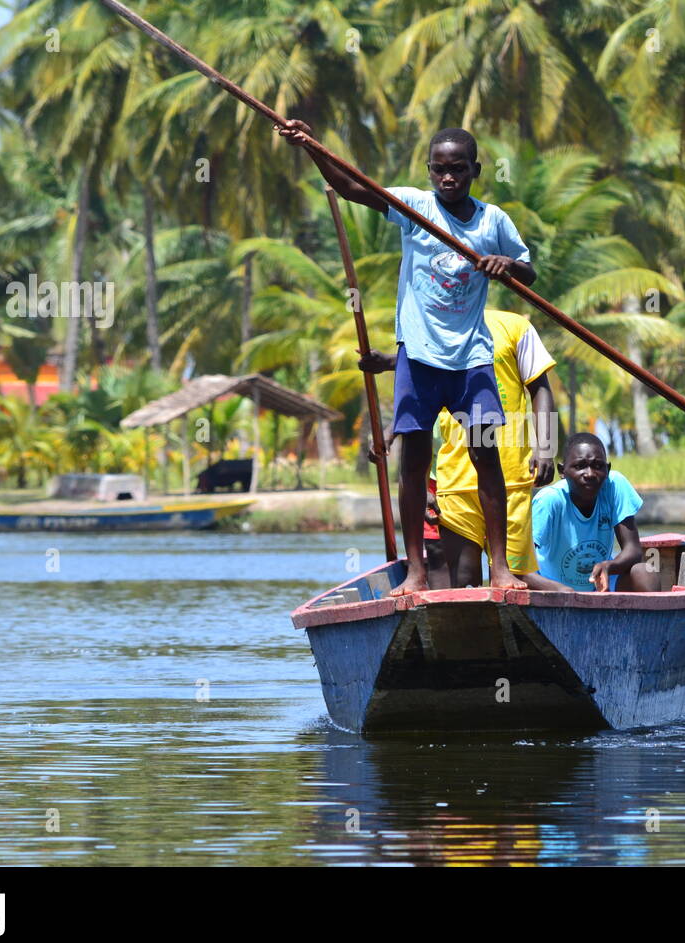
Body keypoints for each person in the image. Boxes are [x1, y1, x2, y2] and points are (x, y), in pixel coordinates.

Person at [278, 121, 535, 594]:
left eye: (458, 170)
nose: (448, 179)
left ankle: (499, 568)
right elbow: (353, 187)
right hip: (417, 357)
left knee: (486, 457)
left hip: (470, 358)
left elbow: (528, 271)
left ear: (475, 170)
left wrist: (507, 266)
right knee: (413, 463)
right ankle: (415, 571)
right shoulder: (413, 206)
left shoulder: (492, 221)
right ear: (430, 171)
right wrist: (312, 146)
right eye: (439, 170)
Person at [361, 309, 560, 588]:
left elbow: (539, 387)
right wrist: (390, 429)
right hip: (454, 481)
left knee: (513, 579)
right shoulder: (433, 327)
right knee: (463, 579)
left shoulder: (514, 326)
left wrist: (546, 448)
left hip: (510, 478)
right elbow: (420, 391)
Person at [526, 432, 658, 593]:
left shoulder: (614, 485)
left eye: (598, 466)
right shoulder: (549, 501)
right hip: (553, 587)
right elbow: (520, 564)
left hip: (600, 584)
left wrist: (609, 566)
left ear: (607, 469)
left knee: (646, 572)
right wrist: (557, 589)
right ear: (562, 471)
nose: (589, 474)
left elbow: (633, 549)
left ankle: (644, 618)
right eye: (580, 466)